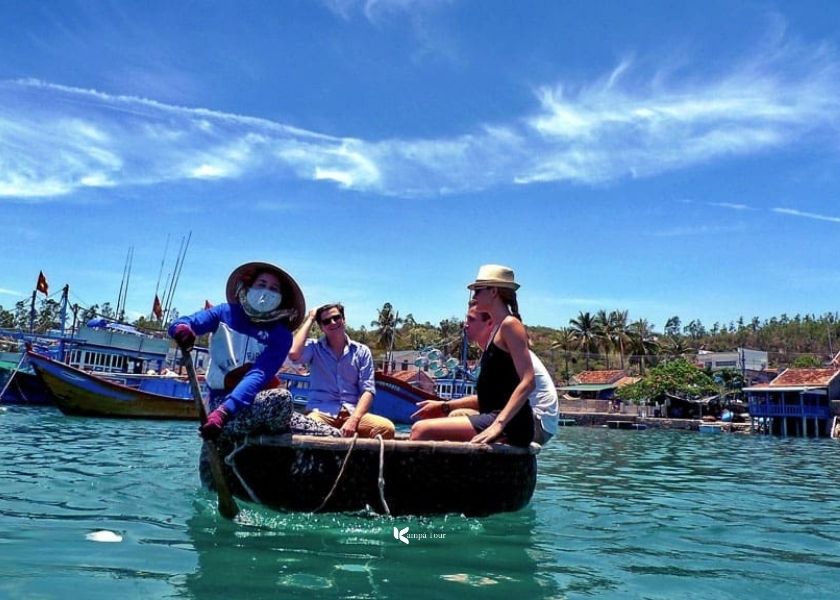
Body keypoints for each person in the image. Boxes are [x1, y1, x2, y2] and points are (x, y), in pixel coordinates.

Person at [168, 262, 339, 444]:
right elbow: (186, 322)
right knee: (281, 399)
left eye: (273, 289)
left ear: (282, 298)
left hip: (254, 405)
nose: (266, 292)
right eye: (261, 285)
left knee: (333, 435)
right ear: (248, 287)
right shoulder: (223, 313)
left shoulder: (281, 335)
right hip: (219, 405)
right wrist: (182, 329)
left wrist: (226, 411)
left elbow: (259, 374)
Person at [410, 265, 535, 447]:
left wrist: (498, 424)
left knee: (421, 430)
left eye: (477, 290)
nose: (474, 296)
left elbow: (529, 381)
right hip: (492, 416)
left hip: (511, 424)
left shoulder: (510, 325)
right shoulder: (496, 330)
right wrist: (444, 406)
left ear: (493, 291)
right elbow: (492, 396)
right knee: (425, 426)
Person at [414, 303, 558, 445]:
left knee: (424, 431)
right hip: (518, 417)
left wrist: (444, 406)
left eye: (471, 319)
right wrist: (444, 406)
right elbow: (489, 400)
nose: (465, 325)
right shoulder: (493, 354)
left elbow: (516, 392)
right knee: (456, 416)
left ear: (490, 323)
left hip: (535, 422)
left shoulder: (507, 353)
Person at [288, 303, 395, 439]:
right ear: (321, 327)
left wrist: (354, 420)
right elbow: (293, 353)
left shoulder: (362, 352)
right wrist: (310, 318)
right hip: (321, 413)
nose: (333, 322)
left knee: (386, 428)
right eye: (326, 321)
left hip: (352, 413)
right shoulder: (314, 348)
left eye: (336, 317)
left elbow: (368, 391)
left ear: (343, 320)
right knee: (306, 429)